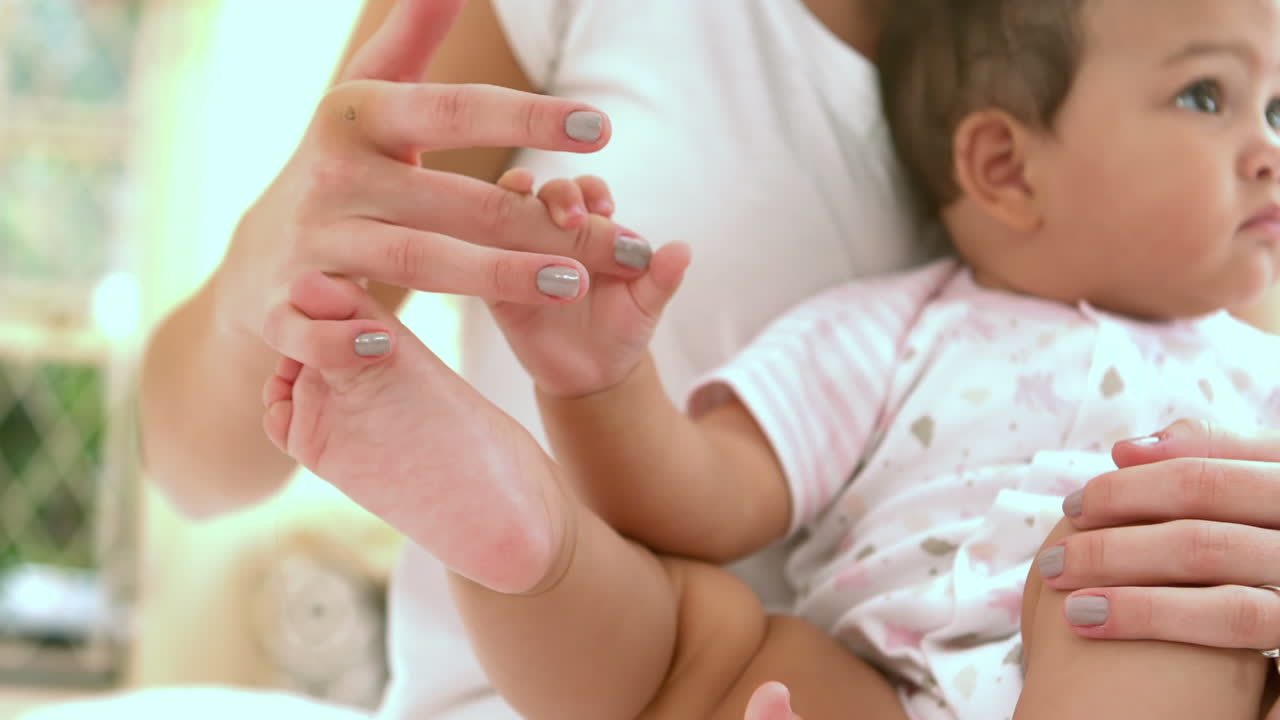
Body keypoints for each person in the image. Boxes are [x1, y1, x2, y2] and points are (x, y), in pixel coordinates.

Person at [132, 0, 1280, 719]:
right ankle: (510, 530)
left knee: (1143, 597)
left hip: (1113, 659)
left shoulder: (1251, 359)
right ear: (1001, 164)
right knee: (695, 643)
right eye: (1207, 99)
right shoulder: (899, 325)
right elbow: (702, 495)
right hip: (841, 691)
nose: (1263, 151)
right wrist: (594, 381)